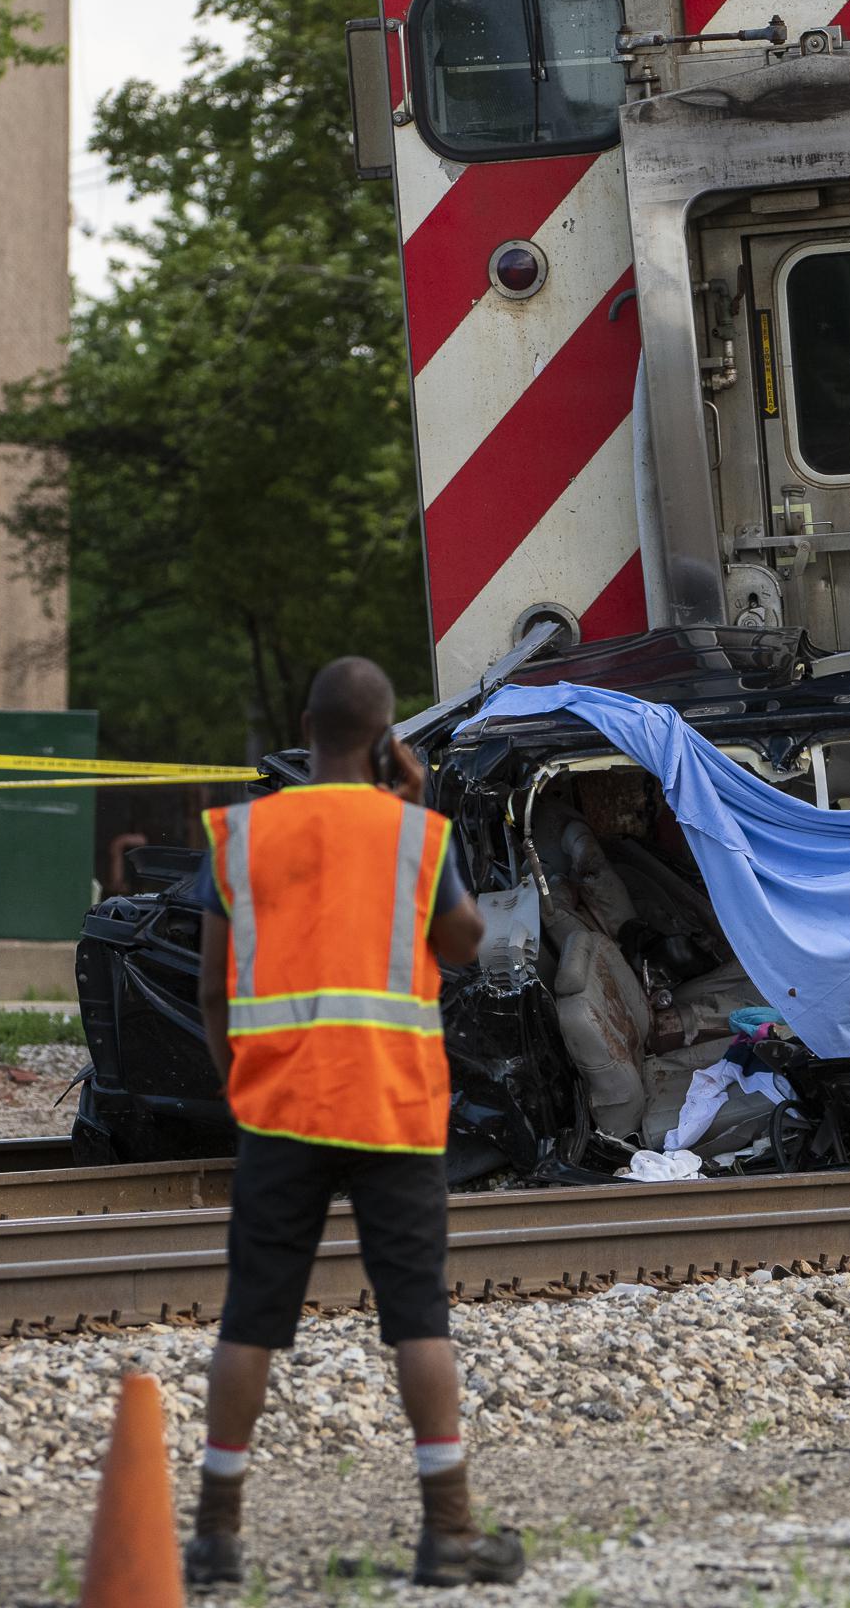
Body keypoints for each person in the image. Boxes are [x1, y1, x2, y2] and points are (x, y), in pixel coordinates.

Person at [185, 657, 520, 1590]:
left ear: (303, 725)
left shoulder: (244, 835)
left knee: (250, 1319)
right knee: (418, 1318)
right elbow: (464, 945)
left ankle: (216, 1536)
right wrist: (413, 805)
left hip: (279, 1109)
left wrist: (242, 1088)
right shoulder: (414, 835)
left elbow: (211, 986)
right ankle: (448, 1532)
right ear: (384, 741)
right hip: (392, 1110)